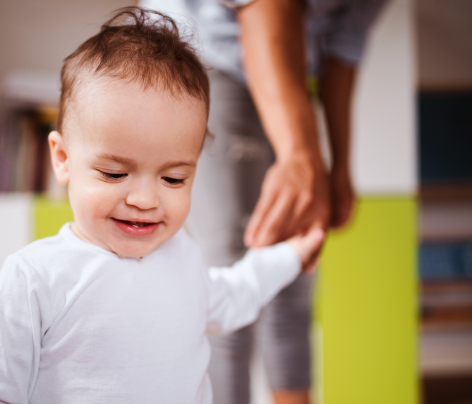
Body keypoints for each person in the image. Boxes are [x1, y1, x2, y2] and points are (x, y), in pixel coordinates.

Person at [0, 8, 325, 404]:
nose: (145, 200)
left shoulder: (183, 258)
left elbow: (240, 291)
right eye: (115, 174)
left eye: (173, 179)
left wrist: (292, 254)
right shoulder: (35, 278)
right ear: (63, 158)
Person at [139, 0, 387, 403]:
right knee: (232, 268)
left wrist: (338, 165)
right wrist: (301, 155)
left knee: (292, 274)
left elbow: (345, 44)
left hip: (289, 65)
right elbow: (264, 8)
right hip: (202, 57)